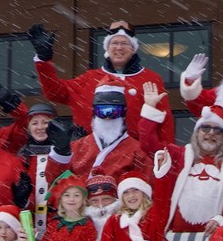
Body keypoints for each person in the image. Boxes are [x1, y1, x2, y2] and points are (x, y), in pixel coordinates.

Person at [30, 18, 174, 148]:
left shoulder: (150, 79)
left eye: (124, 43)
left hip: (136, 157)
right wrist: (43, 60)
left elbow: (165, 120)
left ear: (133, 49)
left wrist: (167, 153)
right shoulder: (89, 78)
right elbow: (54, 92)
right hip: (91, 156)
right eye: (114, 43)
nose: (119, 47)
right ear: (107, 48)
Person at [163, 107, 223, 231]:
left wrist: (222, 219)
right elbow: (149, 144)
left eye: (218, 130)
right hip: (175, 236)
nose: (211, 133)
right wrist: (151, 107)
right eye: (205, 128)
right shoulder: (179, 155)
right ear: (197, 132)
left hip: (215, 237)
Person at [67, 83, 153, 196]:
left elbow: (146, 191)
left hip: (121, 206)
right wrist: (60, 153)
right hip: (80, 205)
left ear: (123, 112)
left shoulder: (137, 151)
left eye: (114, 111)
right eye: (101, 111)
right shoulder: (76, 147)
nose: (107, 117)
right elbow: (57, 185)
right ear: (94, 112)